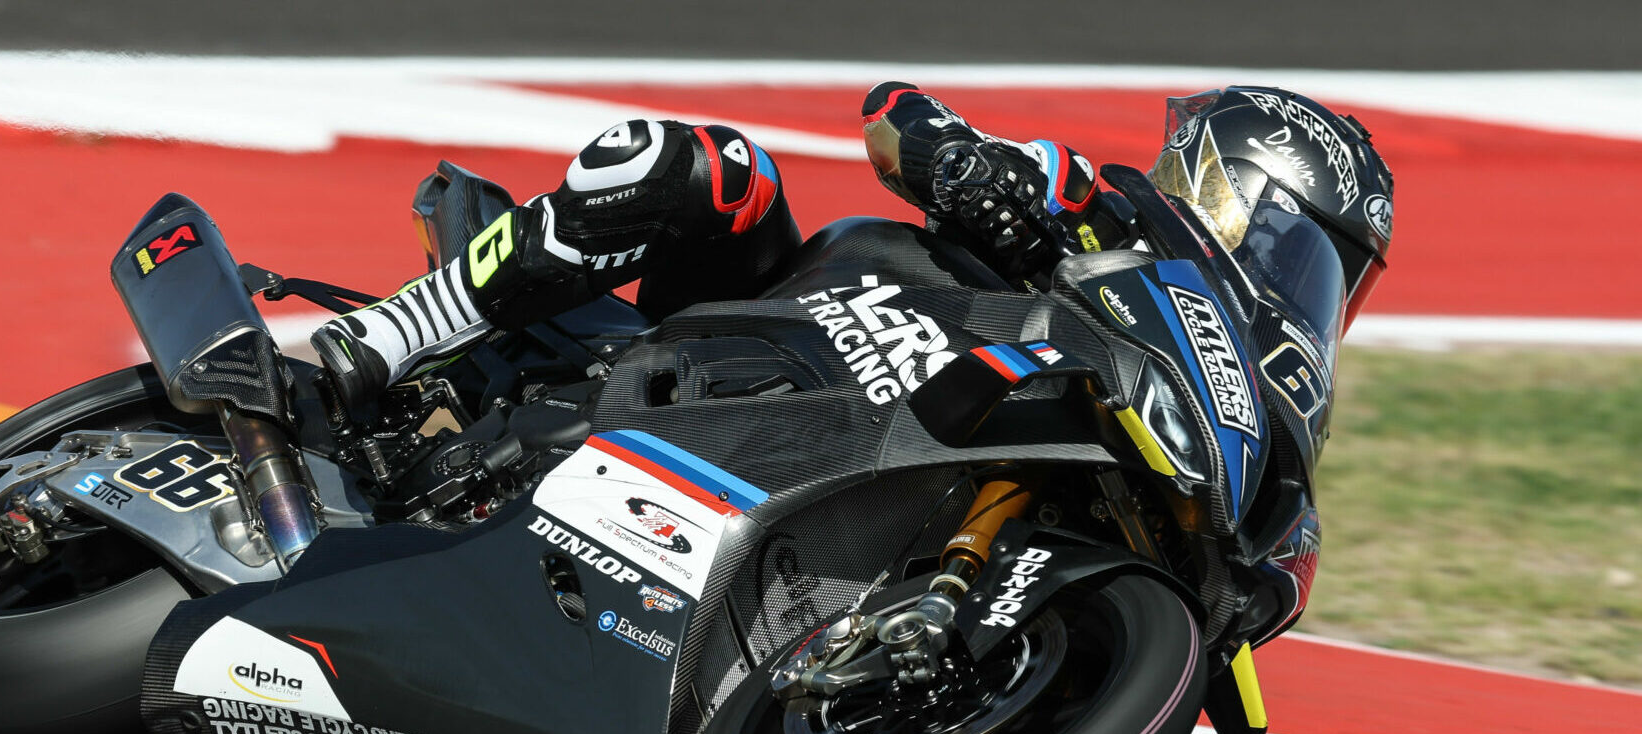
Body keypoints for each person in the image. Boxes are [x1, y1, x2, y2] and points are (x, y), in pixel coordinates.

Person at [311, 82, 1393, 412]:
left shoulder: (1232, 383)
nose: (1306, 283)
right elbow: (890, 113)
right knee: (699, 165)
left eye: (1328, 273)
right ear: (1237, 184)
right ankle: (389, 335)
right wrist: (959, 160)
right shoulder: (1093, 199)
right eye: (1305, 248)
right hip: (790, 320)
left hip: (895, 440)